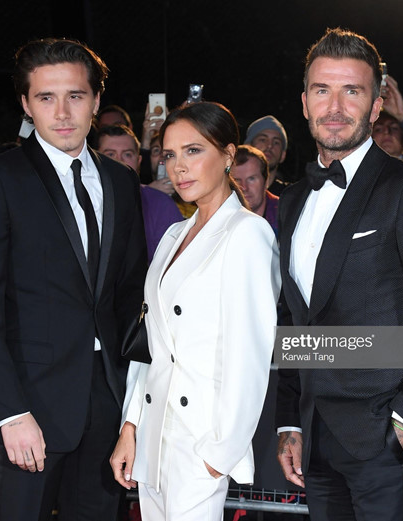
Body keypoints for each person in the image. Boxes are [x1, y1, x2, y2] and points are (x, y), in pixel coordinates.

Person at [275, 28, 403, 521]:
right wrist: (290, 422)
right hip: (315, 438)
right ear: (304, 102)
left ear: (376, 104)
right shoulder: (294, 200)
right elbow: (294, 318)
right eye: (322, 90)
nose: (335, 107)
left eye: (352, 91)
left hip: (385, 439)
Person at [0, 38, 147, 521]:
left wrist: (134, 407)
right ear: (26, 104)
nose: (62, 113)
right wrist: (9, 412)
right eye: (46, 97)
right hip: (29, 406)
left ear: (96, 101)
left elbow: (130, 294)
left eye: (75, 96)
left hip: (107, 405)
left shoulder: (121, 182)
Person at [110, 102, 280, 520]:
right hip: (153, 437)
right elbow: (151, 343)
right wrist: (130, 426)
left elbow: (250, 355)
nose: (178, 167)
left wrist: (219, 454)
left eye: (193, 151)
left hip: (199, 442)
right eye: (170, 155)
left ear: (228, 155)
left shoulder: (247, 233)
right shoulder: (172, 235)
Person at [93, 124, 183, 262]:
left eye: (127, 154)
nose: (119, 161)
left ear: (139, 161)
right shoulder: (80, 203)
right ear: (93, 161)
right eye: (110, 154)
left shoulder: (161, 204)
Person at [232, 144, 279, 235]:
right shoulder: (217, 218)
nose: (244, 187)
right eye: (236, 180)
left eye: (251, 179)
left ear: (266, 182)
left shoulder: (286, 216)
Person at [244, 115, 290, 195]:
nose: (270, 146)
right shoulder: (229, 191)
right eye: (263, 140)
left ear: (283, 155)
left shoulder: (291, 196)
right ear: (248, 147)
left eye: (276, 142)